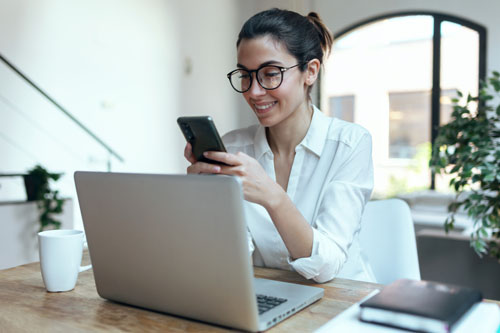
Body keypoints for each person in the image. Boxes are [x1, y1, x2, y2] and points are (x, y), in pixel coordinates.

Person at [184, 8, 375, 283]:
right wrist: (206, 199)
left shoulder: (350, 144)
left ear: (310, 71)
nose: (253, 91)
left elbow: (326, 266)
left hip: (340, 301)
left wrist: (272, 196)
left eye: (270, 74)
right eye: (245, 76)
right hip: (264, 295)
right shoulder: (233, 147)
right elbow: (230, 258)